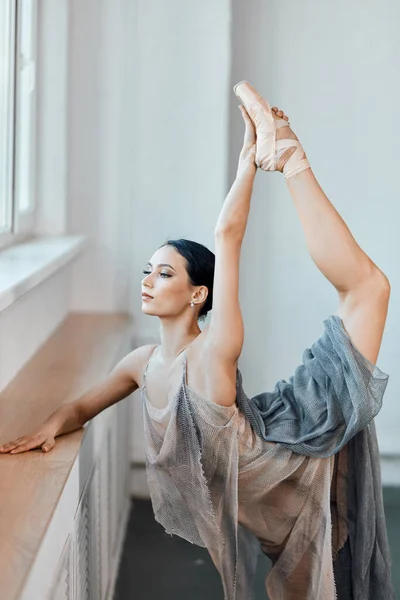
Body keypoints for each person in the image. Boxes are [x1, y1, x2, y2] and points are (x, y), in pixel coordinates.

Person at [0, 82, 395, 600]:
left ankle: (289, 156)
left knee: (369, 289)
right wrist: (49, 426)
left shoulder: (214, 351)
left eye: (164, 273)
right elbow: (80, 407)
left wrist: (249, 160)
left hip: (297, 465)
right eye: (148, 270)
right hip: (269, 503)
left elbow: (228, 234)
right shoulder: (142, 363)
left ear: (197, 294)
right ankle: (286, 149)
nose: (147, 280)